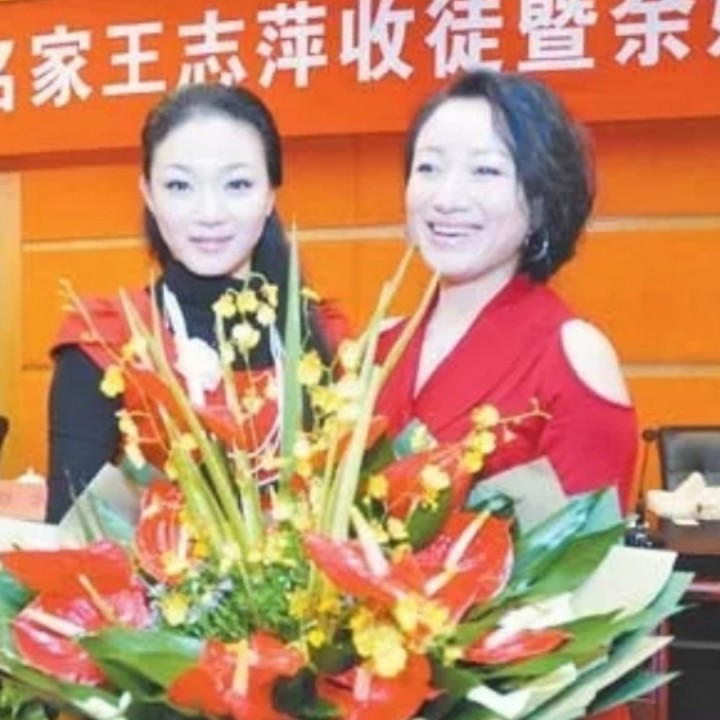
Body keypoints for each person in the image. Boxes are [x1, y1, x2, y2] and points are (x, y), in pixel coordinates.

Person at [375, 68, 636, 720]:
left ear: (540, 201)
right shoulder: (377, 349)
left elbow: (580, 586)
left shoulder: (572, 353)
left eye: (485, 171)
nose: (447, 197)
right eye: (429, 167)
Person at [47, 83, 347, 522]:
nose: (209, 213)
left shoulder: (325, 338)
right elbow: (73, 536)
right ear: (149, 194)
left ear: (270, 195)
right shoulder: (106, 344)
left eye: (237, 184)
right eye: (180, 185)